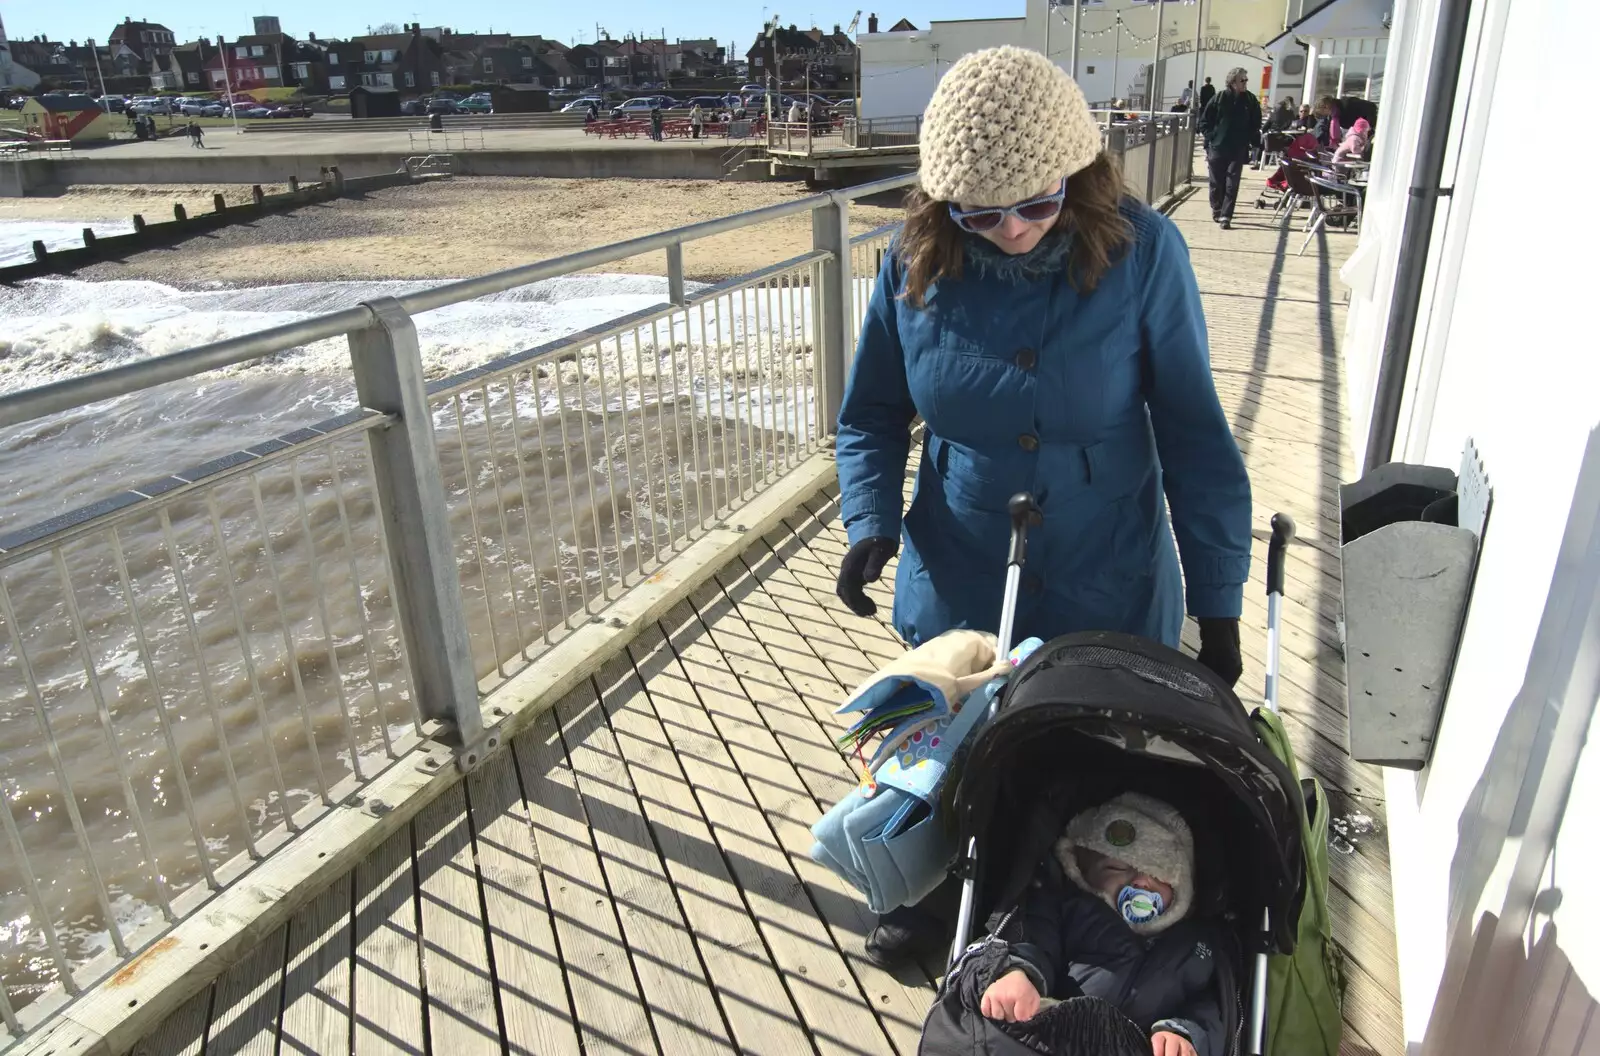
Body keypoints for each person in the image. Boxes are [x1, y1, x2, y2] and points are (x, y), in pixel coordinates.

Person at [834, 45, 1251, 966]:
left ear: (1082, 173)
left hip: (1104, 561)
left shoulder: (1145, 253)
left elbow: (1193, 434)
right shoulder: (914, 262)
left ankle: (1064, 904)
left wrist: (1218, 603)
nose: (1012, 229)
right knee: (947, 748)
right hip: (959, 560)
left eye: (1036, 203)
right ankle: (937, 881)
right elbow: (870, 412)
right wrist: (867, 519)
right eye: (980, 214)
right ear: (943, 204)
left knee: (1083, 751)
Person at [976, 794, 1227, 1056]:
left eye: (1158, 876)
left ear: (1180, 889)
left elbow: (1209, 1005)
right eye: (1117, 868)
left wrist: (1182, 1032)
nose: (1141, 882)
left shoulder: (1194, 945)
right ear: (1083, 871)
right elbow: (1036, 937)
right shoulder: (1070, 907)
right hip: (1058, 1036)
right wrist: (1020, 972)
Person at [1199, 67, 1260, 228]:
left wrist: (1251, 140)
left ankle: (1226, 216)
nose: (1246, 83)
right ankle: (1217, 208)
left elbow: (1256, 123)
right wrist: (1212, 137)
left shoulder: (1250, 100)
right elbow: (1204, 121)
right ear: (1233, 82)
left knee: (1232, 182)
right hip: (1218, 147)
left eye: (1246, 79)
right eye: (1242, 80)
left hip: (1238, 148)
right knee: (1216, 182)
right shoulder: (1219, 98)